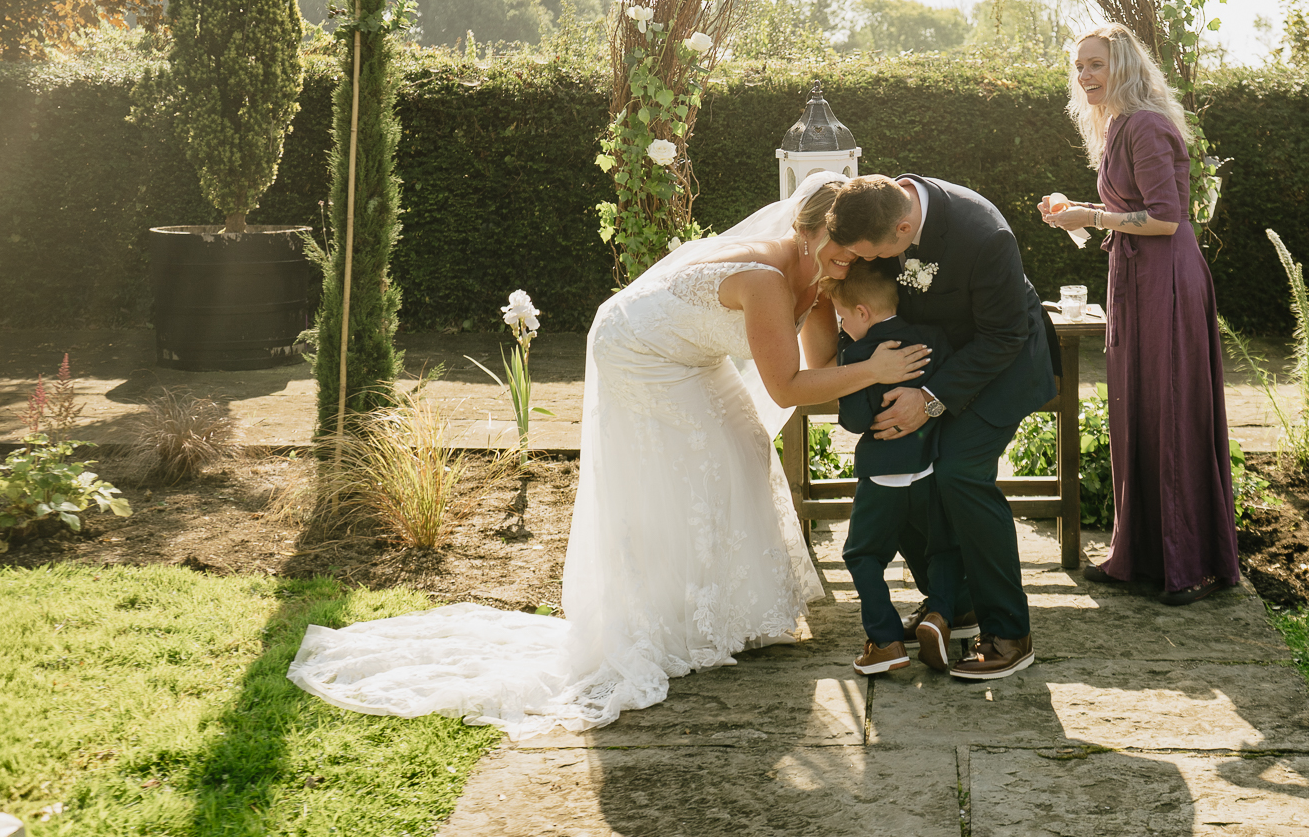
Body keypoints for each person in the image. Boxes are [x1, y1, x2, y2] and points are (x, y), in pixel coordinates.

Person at [286, 171, 931, 736]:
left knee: (743, 444)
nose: (848, 268)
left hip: (688, 351)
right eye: (843, 256)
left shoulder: (819, 275)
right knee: (681, 469)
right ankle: (667, 621)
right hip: (638, 351)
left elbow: (819, 366)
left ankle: (733, 612)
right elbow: (789, 385)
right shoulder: (764, 278)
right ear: (814, 232)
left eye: (856, 260)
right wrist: (874, 371)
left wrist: (872, 344)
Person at [1040, 23, 1241, 605]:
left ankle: (1189, 565)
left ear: (1123, 66)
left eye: (1095, 65)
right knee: (1140, 411)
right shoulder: (1120, 127)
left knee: (1171, 409)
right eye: (1078, 67)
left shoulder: (1147, 125)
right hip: (1135, 279)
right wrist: (1076, 210)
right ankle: (1141, 557)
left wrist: (1091, 219)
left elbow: (1166, 220)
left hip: (1166, 283)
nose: (1085, 76)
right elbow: (1125, 210)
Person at [827, 173, 1058, 679]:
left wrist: (929, 400)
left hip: (1001, 365)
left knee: (957, 473)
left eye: (869, 255)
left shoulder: (985, 235)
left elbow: (1004, 336)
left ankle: (1010, 632)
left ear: (905, 228)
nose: (864, 263)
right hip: (933, 362)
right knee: (907, 466)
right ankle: (957, 603)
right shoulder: (878, 208)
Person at [826, 259, 967, 676]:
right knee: (942, 547)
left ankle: (885, 641)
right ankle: (939, 616)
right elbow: (947, 388)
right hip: (928, 470)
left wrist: (847, 364)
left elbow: (853, 421)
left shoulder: (858, 353)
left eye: (842, 316)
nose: (841, 324)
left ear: (862, 313)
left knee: (864, 553)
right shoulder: (931, 338)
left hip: (882, 477)